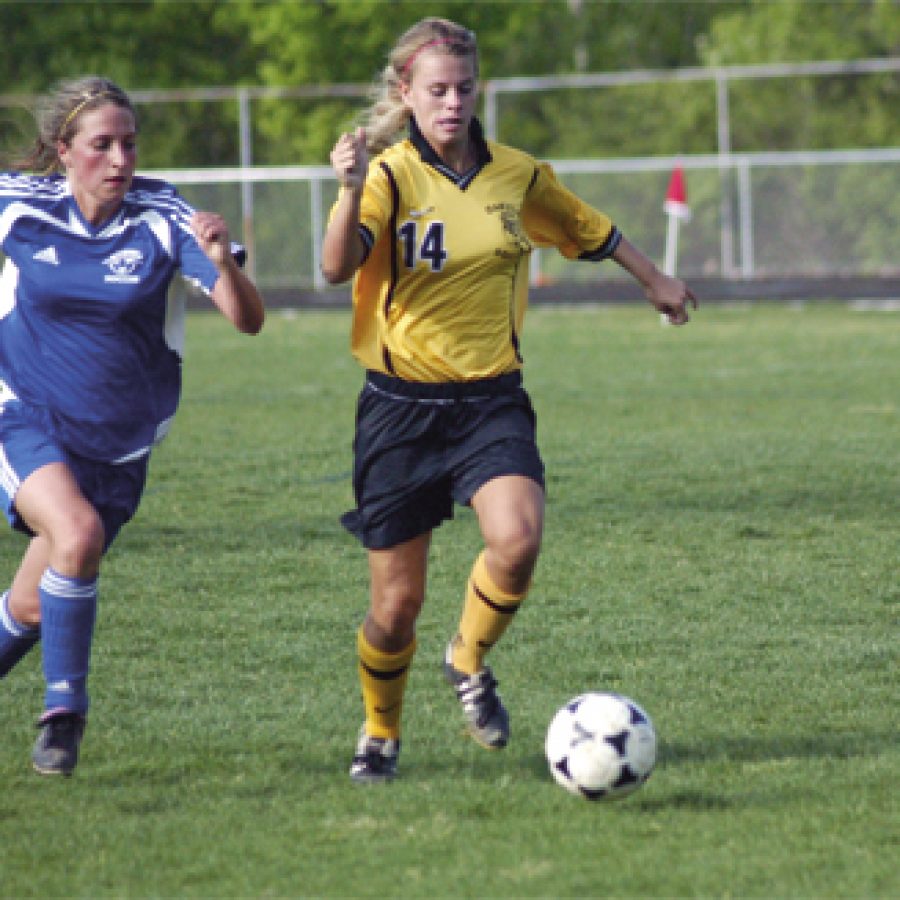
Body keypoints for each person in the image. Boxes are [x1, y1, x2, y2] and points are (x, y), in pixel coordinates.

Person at [322, 18, 696, 783]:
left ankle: (468, 660)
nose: (452, 102)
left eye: (463, 87)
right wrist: (348, 189)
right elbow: (334, 269)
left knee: (518, 539)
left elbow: (591, 230)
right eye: (436, 90)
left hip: (491, 400)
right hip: (399, 410)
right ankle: (380, 733)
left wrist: (654, 280)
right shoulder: (390, 176)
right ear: (406, 94)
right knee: (395, 609)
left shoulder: (516, 175)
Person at [0, 76, 265, 776]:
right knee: (77, 534)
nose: (120, 159)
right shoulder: (18, 203)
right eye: (102, 145)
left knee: (31, 604)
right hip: (21, 412)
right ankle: (64, 715)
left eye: (129, 143)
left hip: (119, 444)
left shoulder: (164, 215)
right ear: (64, 152)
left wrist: (219, 264)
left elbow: (248, 320)